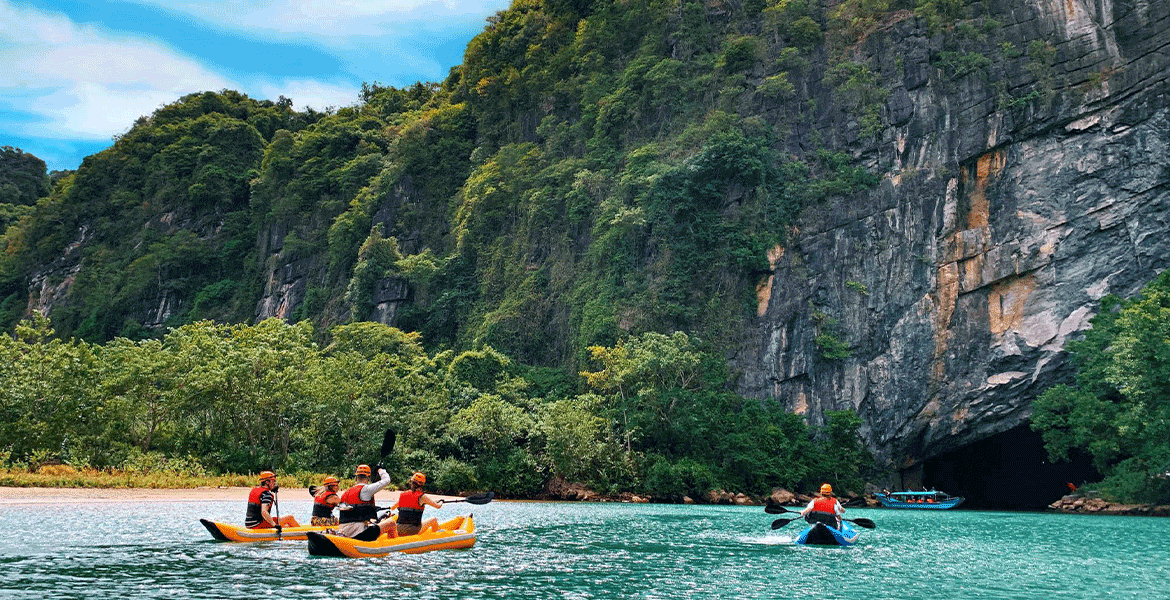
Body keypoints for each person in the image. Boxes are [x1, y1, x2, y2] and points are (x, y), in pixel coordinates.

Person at [336, 464, 398, 539]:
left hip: (344, 531)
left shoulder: (345, 493)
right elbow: (386, 480)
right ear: (368, 478)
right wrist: (380, 470)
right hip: (359, 533)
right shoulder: (366, 489)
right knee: (391, 523)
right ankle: (392, 546)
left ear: (356, 478)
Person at [392, 471, 443, 536]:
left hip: (398, 529)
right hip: (413, 531)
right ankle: (436, 538)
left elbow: (393, 507)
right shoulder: (422, 497)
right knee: (433, 519)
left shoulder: (403, 494)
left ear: (411, 482)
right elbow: (438, 506)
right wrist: (441, 501)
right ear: (422, 484)